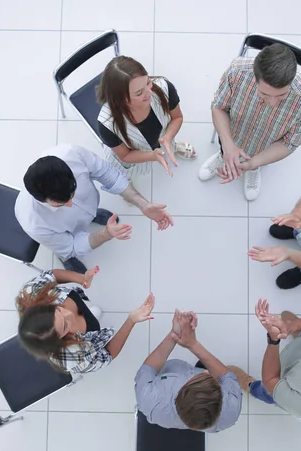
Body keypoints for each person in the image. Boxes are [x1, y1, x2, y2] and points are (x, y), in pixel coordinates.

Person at [15, 143, 173, 274]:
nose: (70, 205)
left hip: (86, 207)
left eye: (73, 194)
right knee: (67, 250)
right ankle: (64, 258)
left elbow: (106, 172)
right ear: (41, 200)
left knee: (87, 212)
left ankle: (92, 215)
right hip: (62, 237)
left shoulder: (70, 154)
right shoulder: (35, 224)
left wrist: (143, 204)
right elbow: (73, 247)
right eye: (60, 204)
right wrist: (105, 234)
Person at [199, 43, 301, 201]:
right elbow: (219, 107)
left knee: (254, 163)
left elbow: (289, 143)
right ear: (255, 78)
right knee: (226, 148)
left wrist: (252, 163)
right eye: (264, 94)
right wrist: (228, 146)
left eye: (281, 96)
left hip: (266, 145)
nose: (272, 102)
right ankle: (223, 155)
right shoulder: (236, 72)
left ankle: (254, 169)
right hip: (234, 132)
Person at [16, 267, 155, 373]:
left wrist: (80, 278)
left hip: (82, 306)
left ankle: (89, 313)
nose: (69, 314)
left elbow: (52, 276)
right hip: (89, 333)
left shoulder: (31, 292)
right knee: (93, 318)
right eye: (65, 326)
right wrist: (131, 320)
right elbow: (107, 354)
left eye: (58, 309)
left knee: (91, 312)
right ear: (58, 341)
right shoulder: (73, 357)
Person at [134, 310, 242, 432]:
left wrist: (174, 335)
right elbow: (226, 376)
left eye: (200, 377)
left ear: (183, 387)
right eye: (209, 377)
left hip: (171, 370)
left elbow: (149, 368)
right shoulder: (231, 411)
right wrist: (193, 344)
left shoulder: (149, 399)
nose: (206, 372)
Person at [97, 56, 196, 178]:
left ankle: (171, 146)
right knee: (126, 177)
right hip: (131, 156)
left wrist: (168, 137)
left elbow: (177, 118)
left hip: (161, 138)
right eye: (139, 93)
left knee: (166, 144)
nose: (150, 92)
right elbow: (125, 156)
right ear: (121, 99)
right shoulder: (107, 125)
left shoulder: (163, 87)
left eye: (148, 82)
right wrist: (152, 156)